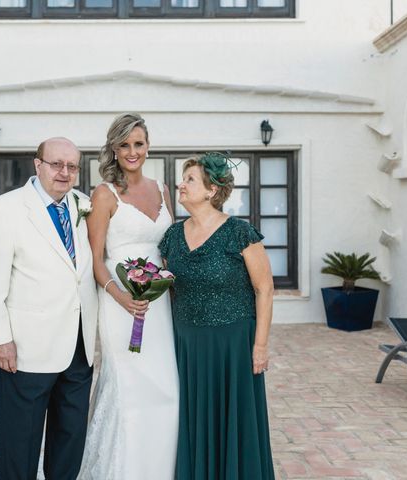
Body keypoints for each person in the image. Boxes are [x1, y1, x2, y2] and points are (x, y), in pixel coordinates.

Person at [0, 137, 98, 480]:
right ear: (37, 164)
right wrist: (0, 339)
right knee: (20, 443)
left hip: (79, 346)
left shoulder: (84, 205)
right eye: (57, 164)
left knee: (70, 439)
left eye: (72, 166)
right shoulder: (7, 209)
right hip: (27, 349)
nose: (65, 172)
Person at [159, 153, 275, 480]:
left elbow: (264, 289)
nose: (181, 184)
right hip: (187, 345)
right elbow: (169, 287)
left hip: (232, 345)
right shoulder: (172, 236)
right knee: (193, 418)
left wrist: (260, 346)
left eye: (190, 179)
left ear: (211, 190)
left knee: (234, 420)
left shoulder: (240, 233)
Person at [78, 113, 179, 479]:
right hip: (120, 304)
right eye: (125, 145)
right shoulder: (104, 195)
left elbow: (170, 248)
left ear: (148, 146)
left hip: (160, 303)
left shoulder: (164, 189)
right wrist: (121, 297)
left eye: (138, 144)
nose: (132, 151)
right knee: (133, 388)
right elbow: (95, 259)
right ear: (114, 150)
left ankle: (161, 469)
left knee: (166, 384)